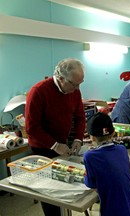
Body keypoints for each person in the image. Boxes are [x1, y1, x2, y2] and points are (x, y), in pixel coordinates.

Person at [25, 58, 86, 216]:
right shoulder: (38, 91)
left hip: (62, 144)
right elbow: (31, 128)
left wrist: (78, 139)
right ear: (61, 78)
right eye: (74, 84)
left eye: (81, 83)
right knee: (49, 192)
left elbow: (80, 117)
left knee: (65, 187)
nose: (78, 88)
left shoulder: (74, 91)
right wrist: (54, 145)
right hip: (42, 148)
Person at [83, 112, 130, 216]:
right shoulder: (122, 149)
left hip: (113, 210)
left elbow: (91, 184)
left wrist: (84, 176)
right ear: (113, 132)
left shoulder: (90, 156)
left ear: (92, 137)